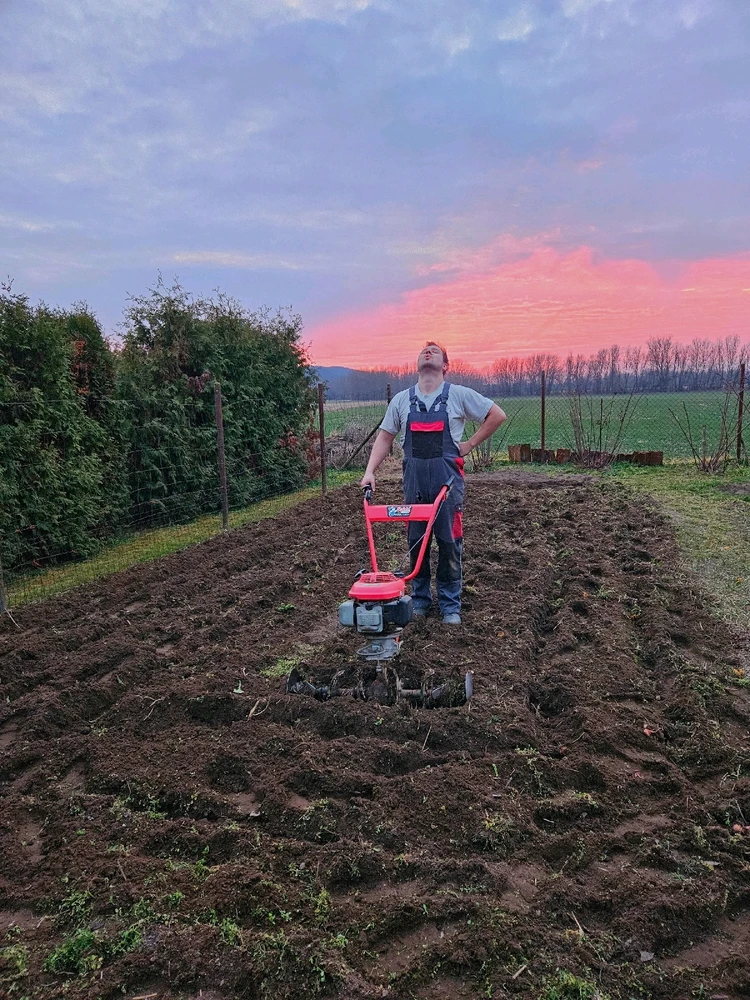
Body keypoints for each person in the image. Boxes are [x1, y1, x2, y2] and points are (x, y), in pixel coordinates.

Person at [360, 342, 506, 624]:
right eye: (424, 351)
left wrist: (470, 444)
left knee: (449, 542)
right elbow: (385, 437)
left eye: (435, 351)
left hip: (446, 483)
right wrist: (369, 471)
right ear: (417, 364)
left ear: (445, 366)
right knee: (417, 542)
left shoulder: (458, 395)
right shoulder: (402, 400)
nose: (428, 353)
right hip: (414, 482)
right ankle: (421, 601)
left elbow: (496, 414)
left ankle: (450, 605)